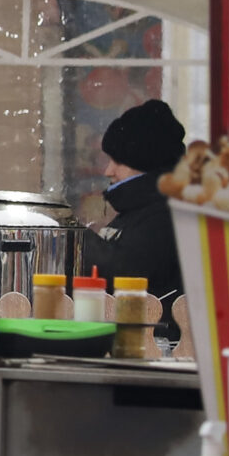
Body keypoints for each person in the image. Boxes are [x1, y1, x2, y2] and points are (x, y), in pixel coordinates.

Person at [87, 98, 187, 304]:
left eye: (119, 161)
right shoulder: (139, 212)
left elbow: (124, 272)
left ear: (146, 162)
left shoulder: (165, 217)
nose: (108, 171)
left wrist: (75, 241)